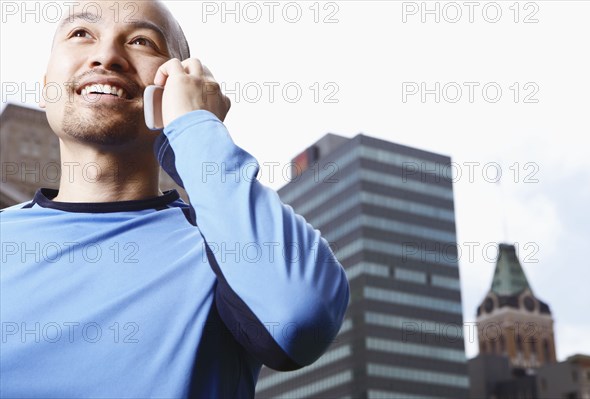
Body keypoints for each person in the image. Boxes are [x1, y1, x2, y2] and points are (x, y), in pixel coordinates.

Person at [0, 1, 349, 397]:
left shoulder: (223, 244)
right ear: (45, 84)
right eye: (81, 34)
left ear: (175, 84)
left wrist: (195, 126)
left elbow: (301, 316)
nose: (106, 56)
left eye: (141, 41)